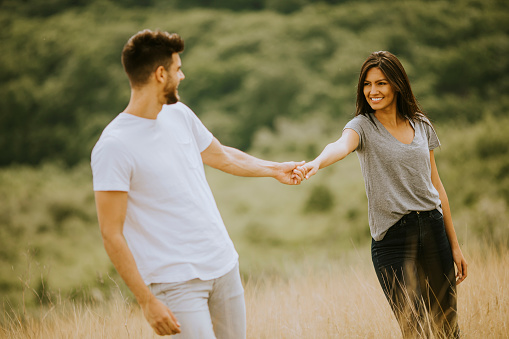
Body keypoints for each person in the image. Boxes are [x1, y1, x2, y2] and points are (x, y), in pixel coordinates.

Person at [91, 29, 304, 338]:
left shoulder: (179, 114)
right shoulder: (113, 146)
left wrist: (275, 169)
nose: (183, 75)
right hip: (175, 284)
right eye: (178, 69)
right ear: (160, 73)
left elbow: (223, 157)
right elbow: (111, 234)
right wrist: (146, 301)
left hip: (223, 265)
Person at [295, 51, 467, 338]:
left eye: (381, 83)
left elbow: (436, 185)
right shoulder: (362, 126)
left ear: (397, 84)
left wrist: (455, 246)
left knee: (448, 328)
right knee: (415, 330)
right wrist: (315, 163)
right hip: (392, 241)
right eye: (367, 84)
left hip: (433, 231)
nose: (372, 91)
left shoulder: (421, 125)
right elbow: (339, 145)